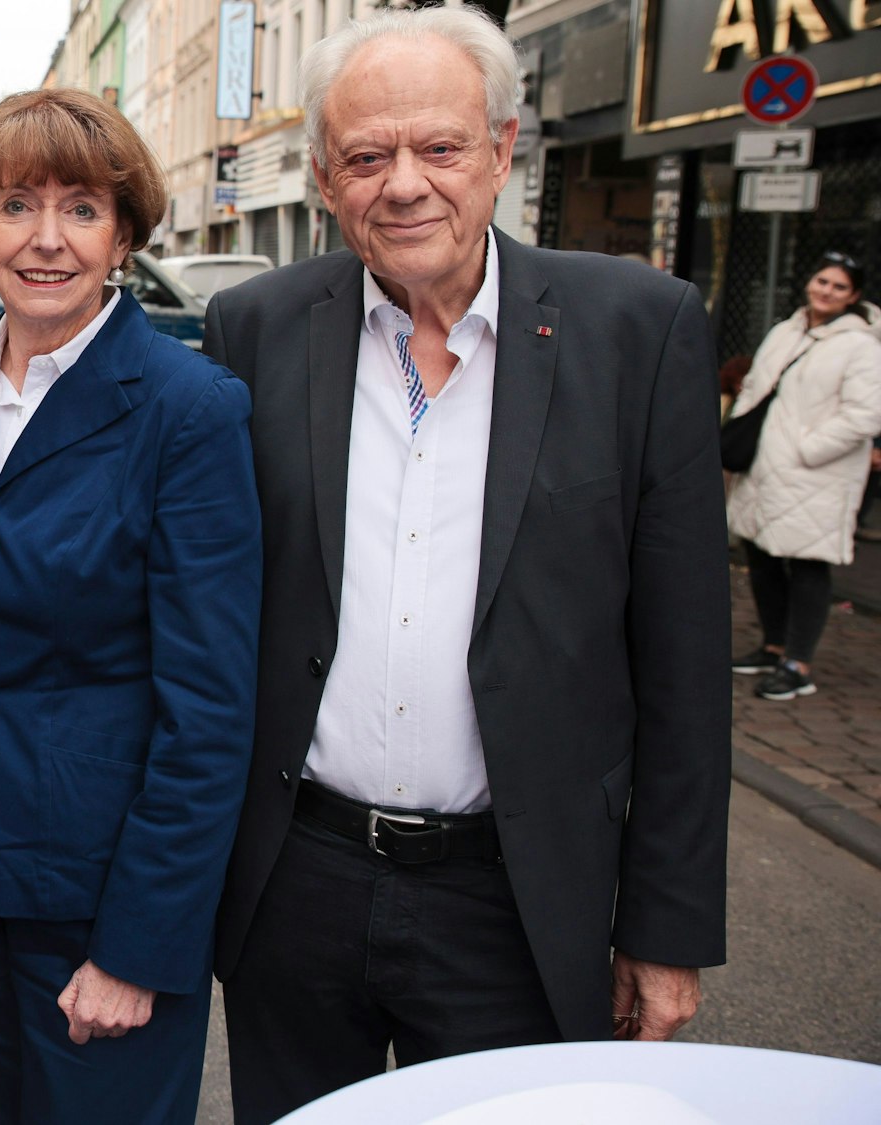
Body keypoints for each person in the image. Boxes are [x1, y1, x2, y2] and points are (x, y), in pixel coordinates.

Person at [201, 8, 733, 1122]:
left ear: (501, 149)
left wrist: (665, 926)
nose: (404, 185)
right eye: (366, 157)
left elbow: (686, 661)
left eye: (439, 147)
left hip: (519, 899)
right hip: (298, 883)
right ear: (323, 178)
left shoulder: (636, 330)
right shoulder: (253, 327)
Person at [0, 88, 261, 1124]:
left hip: (93, 898)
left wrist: (141, 944)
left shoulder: (189, 409)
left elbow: (210, 709)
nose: (47, 239)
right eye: (16, 205)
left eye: (81, 209)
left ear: (123, 235)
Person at [727, 252, 881, 699]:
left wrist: (808, 448)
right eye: (822, 281)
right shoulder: (785, 331)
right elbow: (756, 389)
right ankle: (773, 646)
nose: (827, 291)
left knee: (808, 564)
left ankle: (798, 664)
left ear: (853, 296)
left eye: (839, 286)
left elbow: (865, 414)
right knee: (761, 556)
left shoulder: (861, 346)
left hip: (816, 474)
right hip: (764, 467)